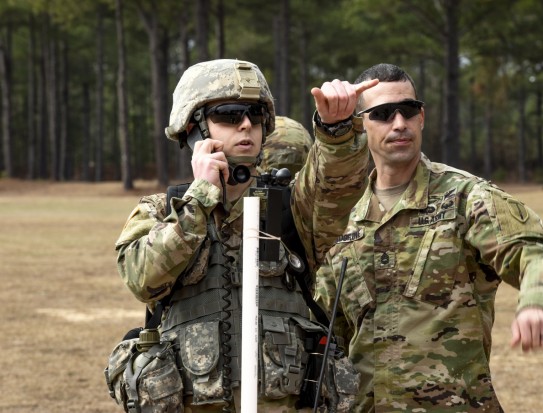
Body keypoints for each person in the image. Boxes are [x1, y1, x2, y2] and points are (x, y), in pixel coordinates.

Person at [109, 59, 377, 412]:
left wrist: (338, 130)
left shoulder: (290, 207)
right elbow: (143, 278)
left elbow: (336, 187)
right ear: (194, 127)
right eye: (229, 115)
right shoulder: (162, 210)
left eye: (255, 114)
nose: (247, 124)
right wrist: (201, 197)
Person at [314, 63, 543, 412]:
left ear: (421, 117)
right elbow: (325, 329)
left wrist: (537, 303)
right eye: (382, 114)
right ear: (361, 125)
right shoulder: (346, 223)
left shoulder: (465, 197)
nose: (399, 124)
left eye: (407, 111)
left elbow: (532, 252)